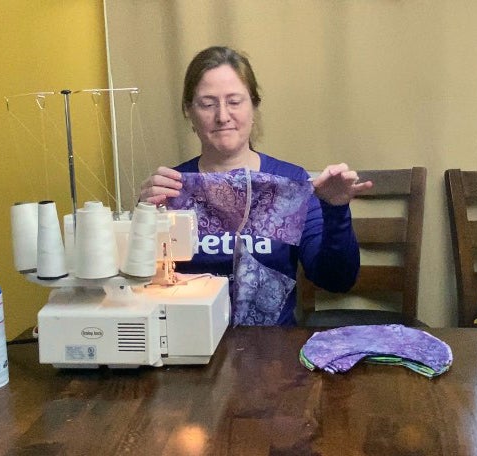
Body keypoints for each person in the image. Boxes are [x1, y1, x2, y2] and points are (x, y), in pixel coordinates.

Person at [139, 45, 372, 325]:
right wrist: (143, 220)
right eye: (208, 103)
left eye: (234, 101)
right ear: (189, 111)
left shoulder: (290, 183)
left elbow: (336, 280)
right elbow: (140, 288)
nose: (223, 116)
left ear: (254, 106)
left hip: (273, 355)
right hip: (190, 346)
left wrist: (336, 211)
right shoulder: (171, 189)